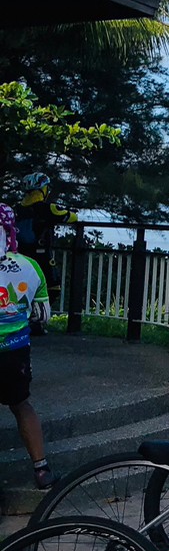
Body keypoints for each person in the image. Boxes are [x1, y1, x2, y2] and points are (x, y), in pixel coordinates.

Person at [0, 203, 54, 488]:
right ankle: (41, 467)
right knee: (21, 404)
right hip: (16, 348)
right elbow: (43, 315)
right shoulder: (29, 265)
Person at [15, 171, 77, 325]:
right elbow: (71, 217)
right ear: (43, 189)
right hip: (41, 255)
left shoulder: (18, 209)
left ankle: (23, 319)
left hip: (21, 255)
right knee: (52, 288)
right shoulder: (46, 208)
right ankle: (37, 321)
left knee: (24, 289)